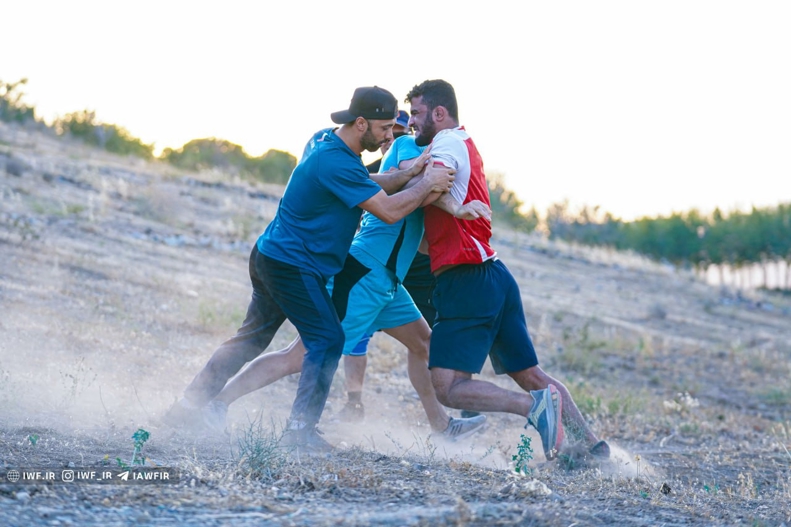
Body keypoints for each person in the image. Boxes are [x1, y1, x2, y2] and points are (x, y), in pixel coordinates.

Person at [164, 86, 456, 452]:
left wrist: (409, 171)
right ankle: (299, 433)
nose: (388, 136)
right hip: (292, 265)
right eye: (384, 128)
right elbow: (389, 210)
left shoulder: (326, 142)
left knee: (251, 340)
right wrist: (426, 182)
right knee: (326, 340)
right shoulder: (337, 162)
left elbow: (366, 182)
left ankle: (187, 408)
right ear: (361, 123)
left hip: (272, 254)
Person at [204, 130, 490, 443]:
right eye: (389, 130)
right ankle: (217, 403)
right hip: (365, 273)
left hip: (389, 281)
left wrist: (455, 210)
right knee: (299, 356)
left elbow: (420, 222)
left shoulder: (417, 156)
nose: (389, 138)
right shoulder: (407, 148)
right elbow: (408, 180)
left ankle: (443, 428)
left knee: (426, 345)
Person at [405, 79, 610, 460]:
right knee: (533, 377)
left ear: (439, 113)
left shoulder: (447, 143)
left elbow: (436, 183)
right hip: (495, 275)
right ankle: (592, 448)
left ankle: (532, 409)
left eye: (417, 113)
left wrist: (402, 193)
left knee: (447, 386)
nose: (413, 122)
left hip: (466, 277)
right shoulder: (464, 143)